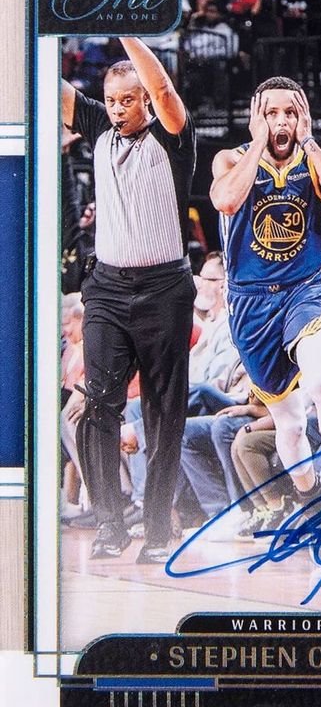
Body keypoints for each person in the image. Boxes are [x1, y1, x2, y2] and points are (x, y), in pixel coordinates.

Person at [210, 75, 321, 536]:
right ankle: (312, 501)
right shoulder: (231, 159)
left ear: (303, 116)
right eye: (271, 113)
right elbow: (226, 200)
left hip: (303, 289)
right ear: (255, 118)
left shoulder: (319, 159)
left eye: (290, 112)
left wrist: (311, 142)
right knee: (291, 423)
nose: (281, 121)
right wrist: (258, 144)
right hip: (250, 303)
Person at [61, 37, 196, 564]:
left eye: (127, 100)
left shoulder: (172, 135)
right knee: (98, 403)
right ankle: (110, 522)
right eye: (111, 100)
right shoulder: (99, 128)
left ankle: (158, 527)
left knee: (164, 412)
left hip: (165, 289)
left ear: (145, 101)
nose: (117, 109)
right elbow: (51, 88)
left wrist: (125, 25)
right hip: (108, 289)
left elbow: (163, 88)